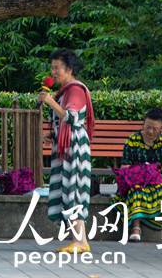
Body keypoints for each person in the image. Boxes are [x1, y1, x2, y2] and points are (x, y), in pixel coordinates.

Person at [38, 49, 95, 254]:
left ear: (69, 69)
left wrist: (50, 101)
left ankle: (80, 241)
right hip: (67, 146)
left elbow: (71, 118)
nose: (53, 72)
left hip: (75, 147)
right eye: (52, 68)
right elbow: (61, 122)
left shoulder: (75, 90)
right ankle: (79, 240)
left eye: (57, 68)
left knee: (74, 190)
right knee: (68, 191)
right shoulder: (65, 91)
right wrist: (52, 136)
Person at [115, 108, 162, 242]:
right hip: (137, 180)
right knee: (136, 191)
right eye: (148, 127)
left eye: (155, 129)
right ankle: (136, 227)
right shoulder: (133, 139)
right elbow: (125, 166)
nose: (150, 131)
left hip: (158, 181)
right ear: (143, 124)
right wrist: (140, 171)